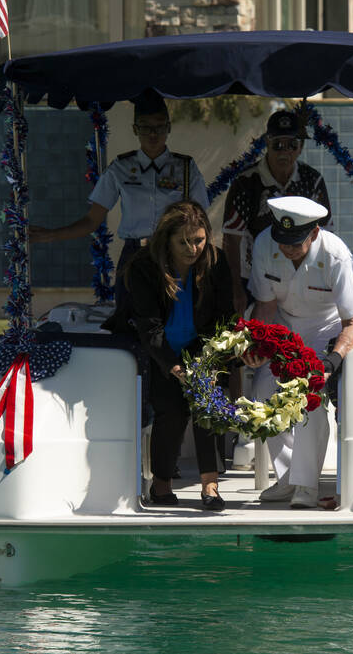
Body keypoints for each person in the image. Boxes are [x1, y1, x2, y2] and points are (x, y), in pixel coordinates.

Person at [107, 200, 234, 511]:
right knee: (171, 412)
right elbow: (148, 326)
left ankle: (210, 483)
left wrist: (205, 359)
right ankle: (161, 483)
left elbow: (225, 315)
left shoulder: (216, 261)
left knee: (207, 406)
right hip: (159, 349)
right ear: (167, 239)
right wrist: (174, 366)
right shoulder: (143, 266)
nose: (193, 249)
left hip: (203, 345)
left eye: (199, 240)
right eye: (184, 242)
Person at [31, 90, 208, 305]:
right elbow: (92, 220)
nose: (153, 134)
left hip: (174, 254)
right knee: (128, 318)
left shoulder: (185, 168)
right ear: (135, 129)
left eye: (159, 127)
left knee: (174, 321)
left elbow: (201, 221)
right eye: (145, 127)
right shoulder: (121, 168)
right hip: (135, 254)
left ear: (168, 128)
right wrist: (51, 235)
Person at [244, 196, 353, 509]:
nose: (287, 249)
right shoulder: (264, 245)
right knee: (261, 394)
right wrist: (257, 342)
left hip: (326, 331)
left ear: (314, 232)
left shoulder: (335, 254)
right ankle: (286, 479)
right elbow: (266, 304)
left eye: (296, 242)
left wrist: (331, 361)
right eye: (283, 241)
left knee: (310, 400)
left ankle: (306, 487)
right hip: (283, 328)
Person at [222, 109, 331, 316]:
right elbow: (231, 239)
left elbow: (325, 233)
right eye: (278, 145)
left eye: (292, 145)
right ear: (267, 144)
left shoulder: (312, 180)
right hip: (254, 277)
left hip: (300, 275)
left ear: (300, 148)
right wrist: (235, 287)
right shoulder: (246, 183)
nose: (284, 152)